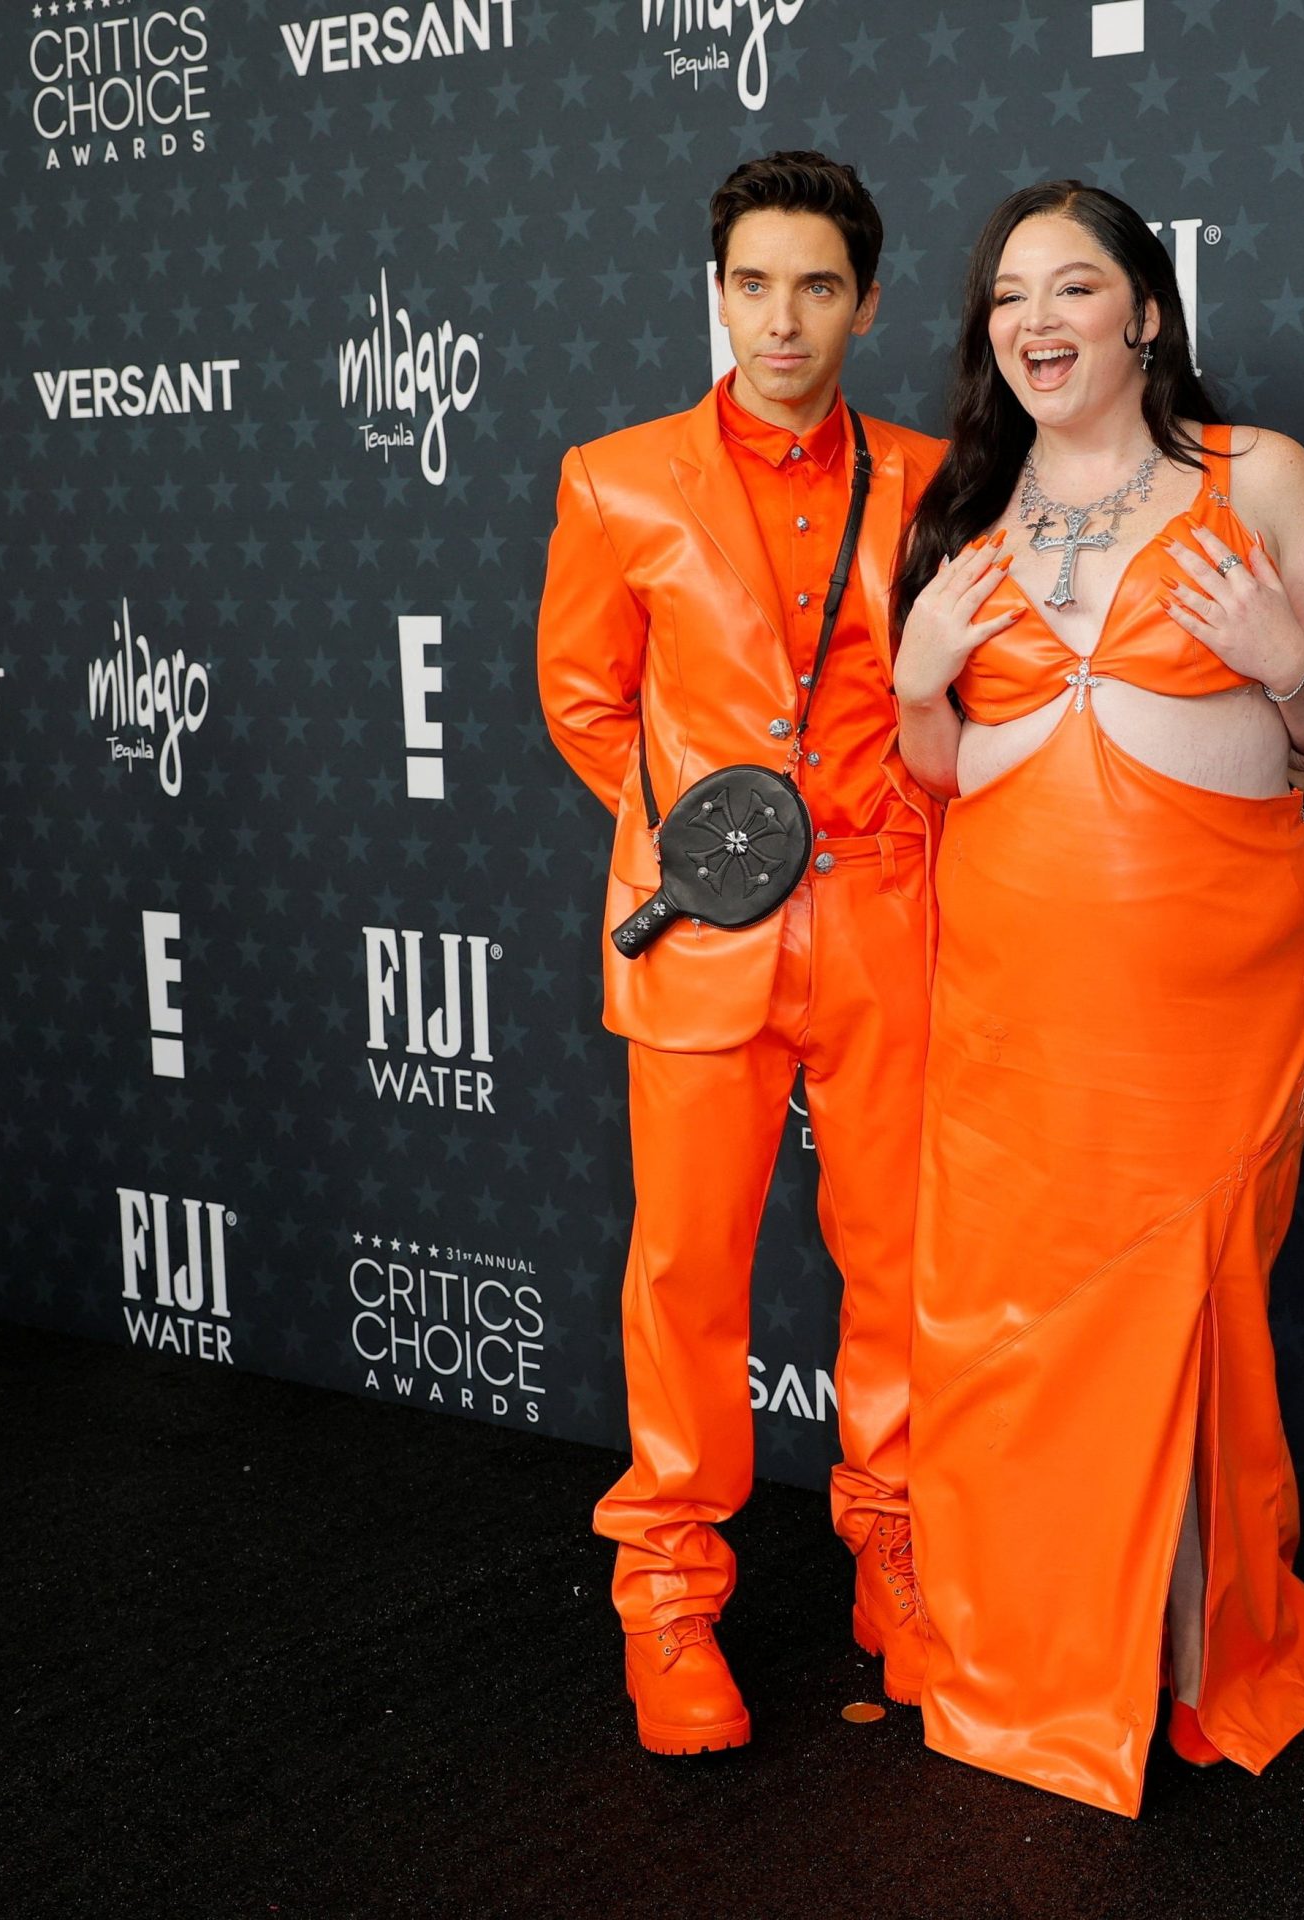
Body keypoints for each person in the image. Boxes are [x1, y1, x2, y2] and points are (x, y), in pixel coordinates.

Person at [890, 181, 1304, 1817]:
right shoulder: (960, 516)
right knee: (1030, 1328)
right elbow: (941, 774)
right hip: (1020, 987)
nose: (1038, 319)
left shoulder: (1259, 479)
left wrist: (1282, 662)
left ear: (1145, 314)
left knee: (1186, 1295)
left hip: (1212, 977)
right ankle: (1053, 1659)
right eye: (1010, 295)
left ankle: (1185, 1655)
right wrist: (910, 684)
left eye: (1075, 285)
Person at [536, 152, 948, 1756]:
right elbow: (585, 704)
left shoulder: (927, 478)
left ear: (866, 300)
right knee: (687, 1278)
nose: (783, 319)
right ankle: (669, 1599)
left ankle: (894, 1556)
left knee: (902, 1272)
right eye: (755, 284)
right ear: (716, 292)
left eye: (819, 286)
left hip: (890, 926)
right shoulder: (616, 479)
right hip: (707, 943)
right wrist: (708, 855)